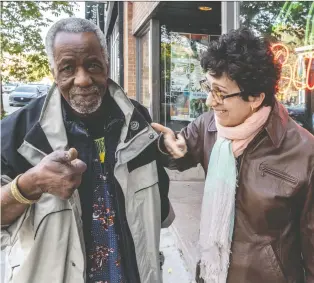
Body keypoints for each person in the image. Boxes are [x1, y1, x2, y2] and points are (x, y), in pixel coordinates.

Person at [1, 18, 173, 283]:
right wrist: (30, 184)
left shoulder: (137, 120)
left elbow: (157, 206)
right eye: (68, 68)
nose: (82, 80)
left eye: (92, 65)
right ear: (53, 71)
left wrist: (166, 150)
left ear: (106, 64)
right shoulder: (17, 133)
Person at [152, 28, 314, 283]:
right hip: (212, 273)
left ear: (256, 98)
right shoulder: (209, 125)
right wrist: (167, 146)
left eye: (220, 92)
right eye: (208, 86)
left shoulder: (304, 152)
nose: (209, 101)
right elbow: (178, 151)